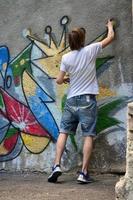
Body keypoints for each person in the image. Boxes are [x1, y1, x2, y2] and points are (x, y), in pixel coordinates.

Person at [48, 19, 115, 184]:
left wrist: (65, 80)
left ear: (70, 42)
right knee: (88, 135)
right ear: (82, 40)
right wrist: (110, 26)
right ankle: (83, 173)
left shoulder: (66, 57)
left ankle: (56, 165)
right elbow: (110, 37)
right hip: (87, 99)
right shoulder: (91, 50)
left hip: (71, 100)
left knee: (64, 131)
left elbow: (58, 80)